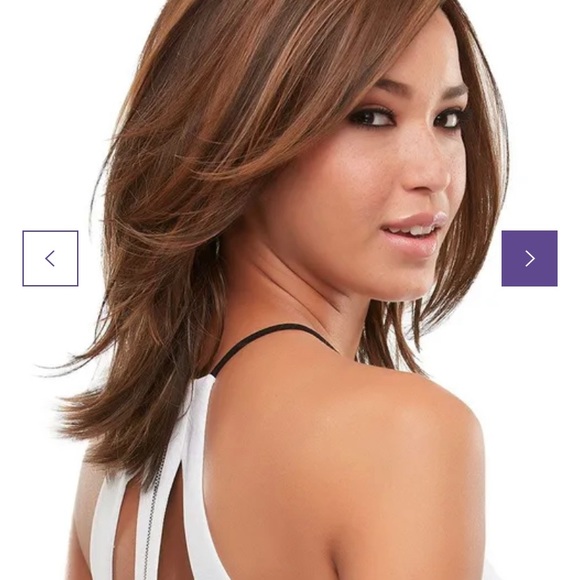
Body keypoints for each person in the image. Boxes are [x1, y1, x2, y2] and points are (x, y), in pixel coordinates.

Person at [56, 0, 508, 577]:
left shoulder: (113, 458)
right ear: (241, 133)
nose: (435, 173)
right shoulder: (402, 433)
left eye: (448, 118)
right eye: (371, 116)